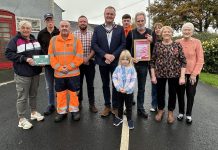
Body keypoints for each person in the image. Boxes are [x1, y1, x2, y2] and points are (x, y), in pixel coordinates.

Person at [5, 20, 44, 130]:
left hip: (35, 73)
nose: (26, 30)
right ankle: (21, 119)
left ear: (31, 29)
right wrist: (24, 58)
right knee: (22, 97)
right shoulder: (15, 40)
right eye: (23, 27)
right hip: (22, 74)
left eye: (28, 28)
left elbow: (39, 53)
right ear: (20, 28)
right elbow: (8, 53)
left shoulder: (34, 40)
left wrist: (43, 61)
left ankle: (33, 112)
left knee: (33, 94)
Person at [91, 6, 126, 117]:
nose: (109, 16)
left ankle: (115, 107)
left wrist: (113, 56)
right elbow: (94, 44)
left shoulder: (120, 29)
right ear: (104, 14)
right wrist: (105, 55)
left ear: (114, 16)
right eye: (108, 14)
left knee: (115, 84)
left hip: (116, 62)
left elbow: (123, 44)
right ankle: (107, 106)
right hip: (103, 61)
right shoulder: (98, 29)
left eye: (111, 14)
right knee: (105, 84)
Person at [48, 20, 83, 122]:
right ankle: (61, 112)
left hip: (73, 73)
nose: (64, 28)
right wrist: (59, 67)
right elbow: (51, 56)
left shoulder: (76, 40)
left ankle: (74, 111)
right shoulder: (53, 40)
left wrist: (69, 67)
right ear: (59, 28)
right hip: (59, 74)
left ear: (70, 28)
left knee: (74, 94)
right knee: (60, 94)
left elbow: (79, 57)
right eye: (62, 26)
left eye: (66, 26)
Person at [150, 26, 186, 124]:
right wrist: (153, 76)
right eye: (164, 32)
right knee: (160, 93)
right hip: (160, 74)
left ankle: (170, 112)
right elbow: (152, 61)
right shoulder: (157, 45)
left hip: (174, 74)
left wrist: (182, 76)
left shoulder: (177, 45)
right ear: (161, 34)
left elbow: (183, 61)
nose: (166, 33)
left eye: (168, 32)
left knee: (172, 94)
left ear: (171, 33)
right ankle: (160, 110)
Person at [176, 22, 204, 124]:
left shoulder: (197, 42)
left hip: (192, 74)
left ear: (192, 31)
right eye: (185, 29)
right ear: (182, 31)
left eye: (189, 30)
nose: (186, 31)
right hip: (180, 74)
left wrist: (194, 74)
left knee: (190, 94)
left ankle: (188, 114)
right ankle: (181, 112)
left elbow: (200, 60)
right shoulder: (177, 42)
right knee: (180, 93)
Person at [126, 11, 152, 119]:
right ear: (135, 22)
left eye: (142, 20)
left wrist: (152, 41)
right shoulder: (131, 33)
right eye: (138, 21)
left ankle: (140, 109)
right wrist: (130, 58)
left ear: (145, 21)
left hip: (144, 65)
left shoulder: (150, 32)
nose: (140, 23)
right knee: (130, 87)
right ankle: (128, 109)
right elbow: (126, 49)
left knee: (141, 88)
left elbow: (155, 48)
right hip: (132, 64)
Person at [74, 15, 98, 113]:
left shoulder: (92, 34)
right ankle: (79, 103)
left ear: (87, 23)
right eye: (81, 21)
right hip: (77, 63)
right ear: (78, 23)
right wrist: (80, 59)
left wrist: (87, 58)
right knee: (78, 84)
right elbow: (72, 49)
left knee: (90, 84)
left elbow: (95, 47)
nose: (83, 23)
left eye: (84, 21)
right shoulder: (74, 34)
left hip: (90, 62)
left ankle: (92, 104)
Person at [37, 13, 60, 116]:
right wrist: (40, 61)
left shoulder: (59, 32)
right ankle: (51, 105)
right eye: (47, 20)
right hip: (47, 64)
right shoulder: (41, 33)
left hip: (59, 63)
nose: (49, 21)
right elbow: (38, 48)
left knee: (59, 86)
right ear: (45, 21)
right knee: (49, 86)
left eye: (51, 19)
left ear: (53, 20)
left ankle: (60, 105)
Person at [112, 50, 137, 129]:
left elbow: (133, 80)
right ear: (120, 60)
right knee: (120, 105)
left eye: (127, 59)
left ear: (130, 60)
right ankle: (119, 118)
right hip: (119, 91)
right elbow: (114, 77)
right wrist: (118, 87)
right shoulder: (118, 68)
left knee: (129, 107)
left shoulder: (132, 69)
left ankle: (129, 119)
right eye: (123, 59)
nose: (125, 61)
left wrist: (127, 89)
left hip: (128, 92)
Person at [149, 22, 163, 112]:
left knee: (162, 87)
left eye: (159, 27)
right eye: (156, 28)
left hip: (163, 67)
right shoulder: (151, 39)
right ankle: (154, 105)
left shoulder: (166, 38)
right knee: (154, 85)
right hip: (153, 65)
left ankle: (161, 106)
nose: (157, 29)